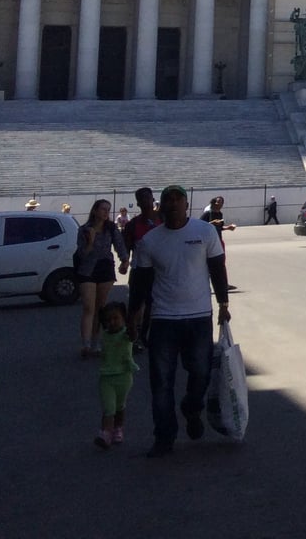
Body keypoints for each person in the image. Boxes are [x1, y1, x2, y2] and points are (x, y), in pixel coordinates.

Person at [132, 184, 230, 459]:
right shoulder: (150, 241)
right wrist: (133, 318)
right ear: (159, 205)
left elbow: (217, 269)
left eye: (178, 199)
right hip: (163, 318)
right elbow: (140, 282)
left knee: (201, 372)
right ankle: (164, 436)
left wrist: (224, 303)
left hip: (198, 316)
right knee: (161, 382)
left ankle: (192, 407)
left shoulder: (205, 231)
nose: (173, 204)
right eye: (167, 200)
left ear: (187, 205)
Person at [74, 198, 127, 357]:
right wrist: (90, 241)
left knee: (100, 307)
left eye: (108, 209)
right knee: (88, 307)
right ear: (95, 210)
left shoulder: (110, 228)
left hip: (105, 267)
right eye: (103, 209)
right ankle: (86, 344)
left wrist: (124, 260)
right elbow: (82, 254)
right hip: (87, 269)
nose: (106, 213)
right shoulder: (84, 229)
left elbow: (119, 245)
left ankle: (96, 342)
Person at [93, 301, 136, 450]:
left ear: (123, 319)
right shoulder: (104, 335)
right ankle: (106, 434)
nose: (112, 322)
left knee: (120, 406)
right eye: (108, 320)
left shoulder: (126, 334)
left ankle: (118, 428)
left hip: (124, 376)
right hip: (106, 378)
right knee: (109, 407)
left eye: (115, 318)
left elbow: (133, 335)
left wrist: (132, 323)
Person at [122, 187, 159, 352]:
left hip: (160, 270)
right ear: (138, 203)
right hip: (140, 270)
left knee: (154, 305)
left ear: (153, 199)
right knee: (135, 306)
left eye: (148, 198)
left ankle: (147, 336)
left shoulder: (163, 219)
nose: (146, 202)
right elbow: (126, 248)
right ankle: (132, 337)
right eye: (142, 199)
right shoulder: (132, 224)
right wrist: (124, 262)